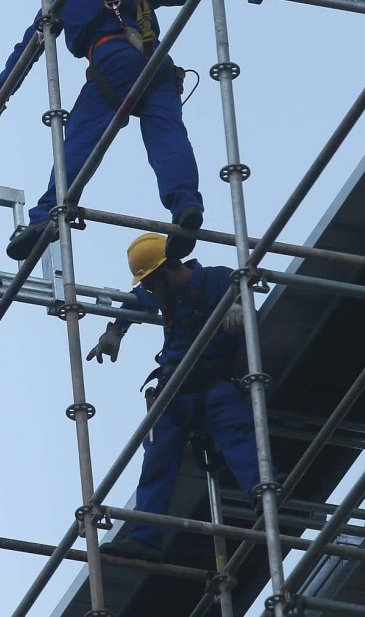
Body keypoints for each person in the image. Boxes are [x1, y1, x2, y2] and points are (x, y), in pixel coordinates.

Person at [0, 0, 207, 262]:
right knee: (167, 136)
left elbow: (27, 51)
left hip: (111, 59)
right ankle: (185, 205)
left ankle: (45, 214)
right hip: (155, 60)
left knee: (80, 140)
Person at [85, 232, 271, 561]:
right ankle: (145, 538)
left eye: (152, 284)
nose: (151, 292)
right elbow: (134, 300)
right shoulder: (161, 291)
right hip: (174, 390)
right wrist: (114, 332)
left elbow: (246, 299)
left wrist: (240, 311)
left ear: (167, 271)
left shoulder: (216, 279)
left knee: (239, 434)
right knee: (156, 460)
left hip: (213, 384)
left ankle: (266, 497)